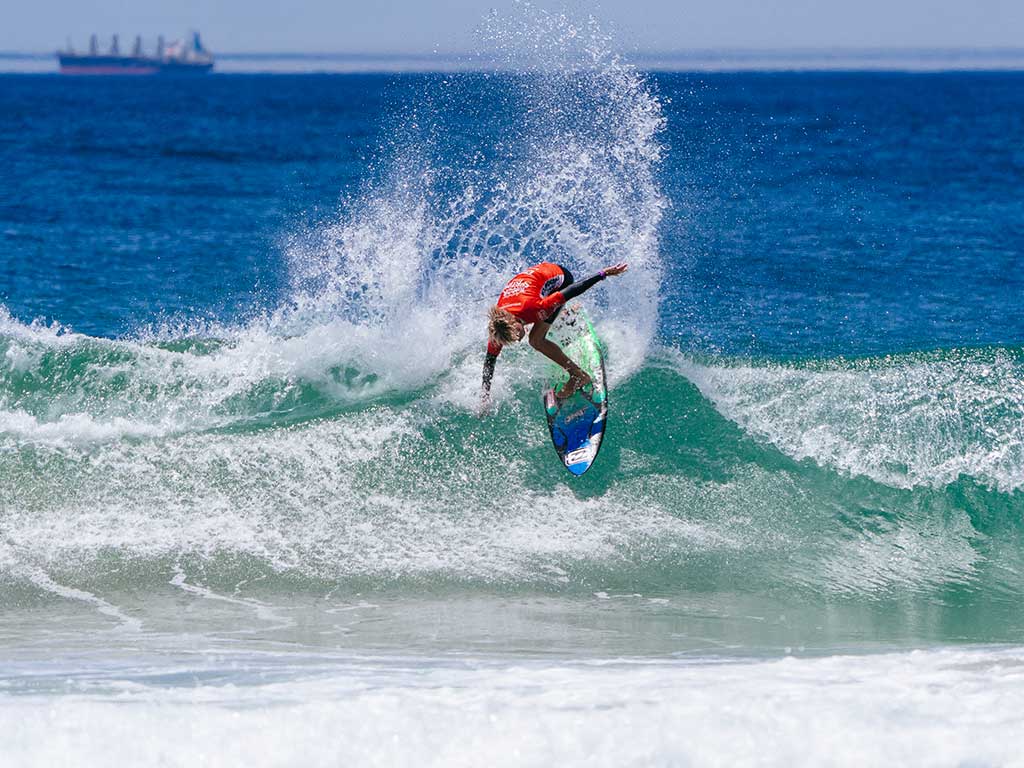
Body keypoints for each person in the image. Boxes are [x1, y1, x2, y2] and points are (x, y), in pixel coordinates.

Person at [481, 261, 629, 407]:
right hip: (535, 281)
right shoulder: (498, 327)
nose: (518, 340)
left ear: (514, 321)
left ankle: (578, 376)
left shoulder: (535, 308)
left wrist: (604, 273)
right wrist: (485, 396)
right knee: (540, 320)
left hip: (561, 279)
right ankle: (565, 314)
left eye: (517, 334)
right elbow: (489, 361)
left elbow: (572, 290)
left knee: (536, 340)